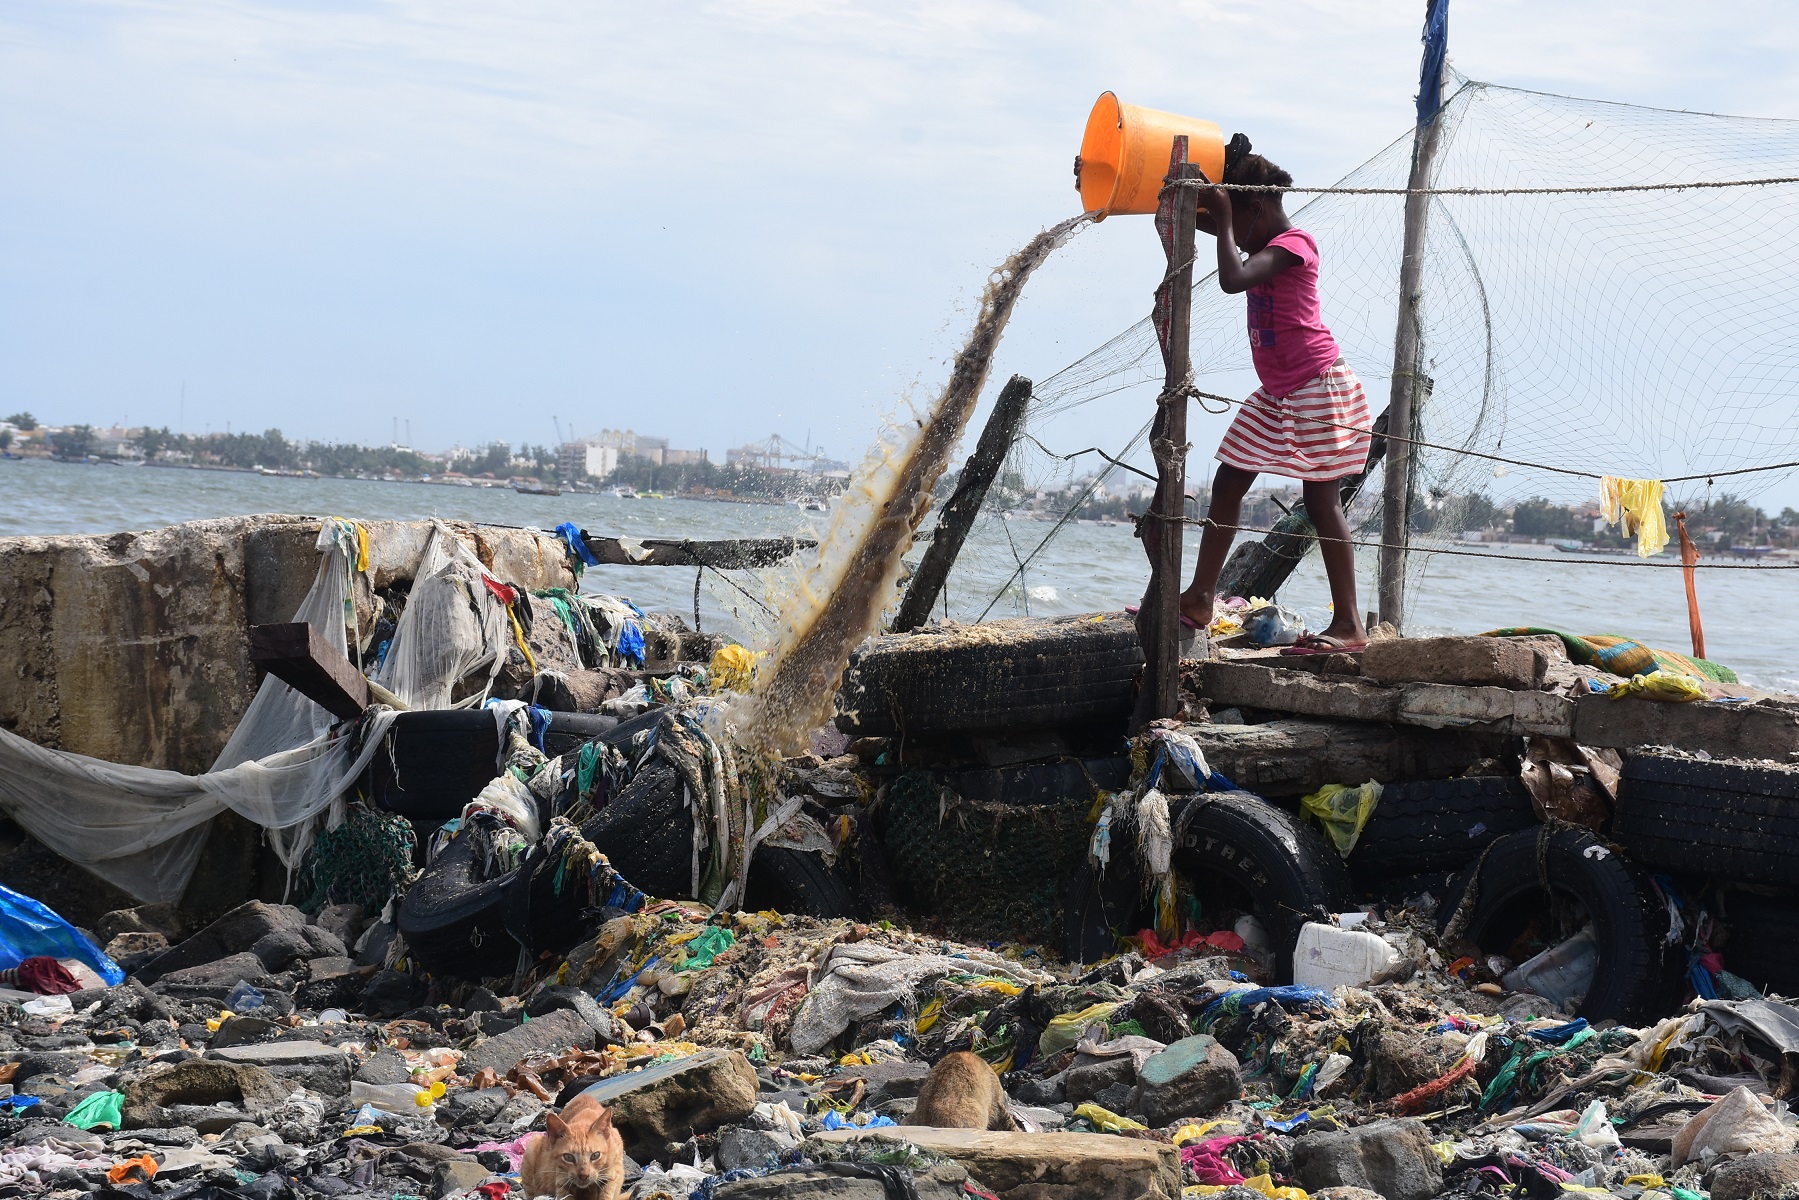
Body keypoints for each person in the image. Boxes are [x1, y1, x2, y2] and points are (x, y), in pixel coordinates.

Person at [1181, 140, 1373, 653]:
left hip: (1318, 383)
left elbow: (1232, 279)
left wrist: (1223, 221)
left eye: (1240, 226)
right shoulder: (1256, 238)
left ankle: (1350, 624)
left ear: (1258, 208)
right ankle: (1201, 596)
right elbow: (1196, 218)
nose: (1237, 239)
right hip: (1279, 391)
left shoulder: (1296, 246)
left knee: (1320, 497)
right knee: (1228, 479)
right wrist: (1190, 200)